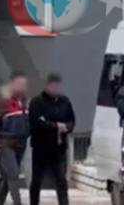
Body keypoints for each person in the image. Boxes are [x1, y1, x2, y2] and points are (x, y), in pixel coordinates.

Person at [29, 73, 75, 205]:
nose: (56, 89)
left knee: (61, 179)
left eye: (58, 86)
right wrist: (55, 126)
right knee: (37, 179)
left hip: (59, 148)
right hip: (41, 147)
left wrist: (66, 127)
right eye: (53, 86)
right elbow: (37, 122)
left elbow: (71, 120)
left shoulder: (65, 101)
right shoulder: (37, 102)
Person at [0, 71, 30, 205]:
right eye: (19, 84)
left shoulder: (25, 102)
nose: (22, 87)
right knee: (13, 173)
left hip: (21, 142)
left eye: (24, 84)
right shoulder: (3, 101)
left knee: (7, 176)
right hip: (6, 143)